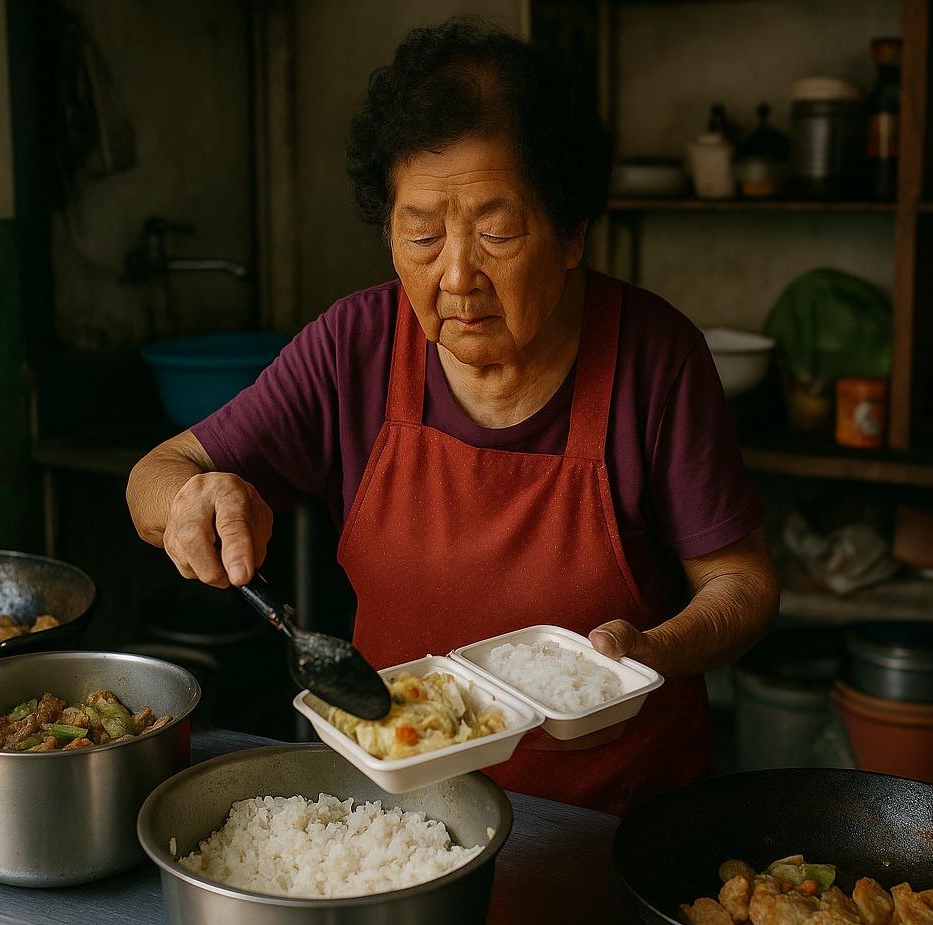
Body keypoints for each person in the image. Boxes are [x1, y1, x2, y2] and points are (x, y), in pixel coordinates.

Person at [125, 17, 779, 816]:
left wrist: (649, 655)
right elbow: (157, 475)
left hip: (613, 825)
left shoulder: (655, 356)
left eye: (497, 232)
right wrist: (193, 498)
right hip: (407, 825)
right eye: (423, 235)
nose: (458, 275)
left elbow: (743, 583)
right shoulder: (356, 346)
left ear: (573, 231)